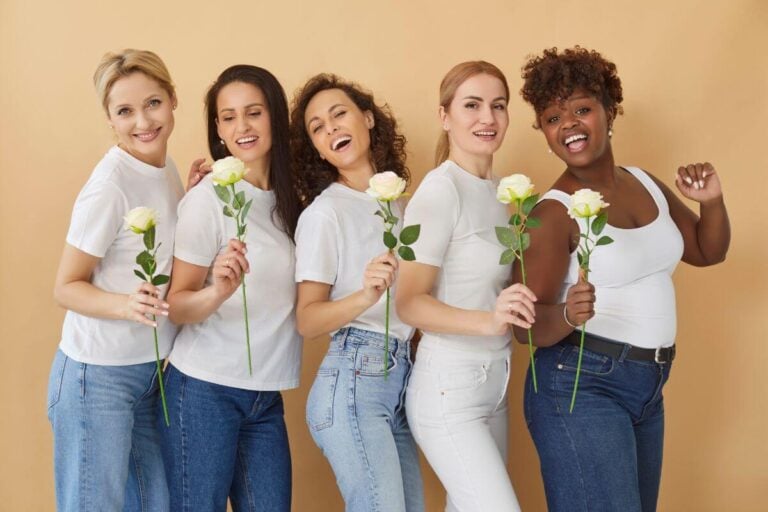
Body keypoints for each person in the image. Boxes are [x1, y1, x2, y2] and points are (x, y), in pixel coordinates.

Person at [517, 46, 731, 512]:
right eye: (553, 118)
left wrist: (710, 201)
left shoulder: (644, 181)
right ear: (546, 134)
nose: (569, 124)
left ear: (609, 111)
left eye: (581, 109)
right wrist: (569, 316)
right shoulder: (552, 213)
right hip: (580, 386)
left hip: (648, 387)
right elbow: (523, 326)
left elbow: (706, 251)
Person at [160, 65, 303, 511]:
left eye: (254, 113)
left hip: (265, 396)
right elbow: (177, 304)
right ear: (218, 130)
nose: (242, 127)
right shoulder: (209, 201)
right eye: (228, 117)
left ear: (275, 118)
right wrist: (218, 291)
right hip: (203, 391)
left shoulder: (291, 199)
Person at [395, 61, 536, 512]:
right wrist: (490, 320)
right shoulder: (441, 191)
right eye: (471, 105)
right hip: (448, 390)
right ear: (445, 116)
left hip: (495, 386)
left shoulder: (503, 193)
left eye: (498, 106)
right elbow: (409, 303)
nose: (487, 118)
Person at [48, 49, 185, 511]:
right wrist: (124, 304)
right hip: (97, 378)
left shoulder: (166, 168)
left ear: (173, 100)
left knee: (156, 504)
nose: (142, 121)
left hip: (151, 374)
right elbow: (66, 285)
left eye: (152, 103)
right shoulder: (109, 186)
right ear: (110, 119)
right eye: (125, 111)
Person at [290, 73, 424, 512]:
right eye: (317, 127)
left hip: (400, 379)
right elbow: (307, 320)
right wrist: (365, 295)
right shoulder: (325, 213)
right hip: (353, 380)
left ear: (367, 119)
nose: (331, 129)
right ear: (316, 148)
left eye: (338, 114)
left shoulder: (403, 206)